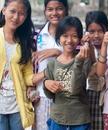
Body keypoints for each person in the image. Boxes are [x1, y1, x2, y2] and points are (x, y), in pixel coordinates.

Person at [43, 16, 91, 130]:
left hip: (80, 120)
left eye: (74, 36)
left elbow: (75, 89)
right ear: (59, 37)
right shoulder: (52, 64)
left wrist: (78, 61)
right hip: (58, 119)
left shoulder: (83, 59)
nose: (69, 40)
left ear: (80, 38)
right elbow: (50, 95)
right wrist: (46, 83)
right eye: (65, 36)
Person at [0, 0, 42, 129]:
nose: (16, 17)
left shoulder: (24, 43)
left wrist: (46, 73)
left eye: (22, 13)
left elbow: (27, 76)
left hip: (17, 107)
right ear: (3, 10)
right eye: (13, 11)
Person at [31, 0, 68, 130]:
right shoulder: (37, 35)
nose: (54, 13)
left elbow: (78, 62)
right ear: (45, 11)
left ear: (66, 9)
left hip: (66, 96)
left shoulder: (72, 34)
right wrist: (31, 89)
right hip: (42, 95)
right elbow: (31, 65)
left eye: (59, 9)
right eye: (50, 9)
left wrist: (58, 52)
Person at [83, 10, 108, 130]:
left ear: (107, 30)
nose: (96, 35)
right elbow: (91, 70)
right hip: (92, 95)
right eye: (92, 31)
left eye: (100, 31)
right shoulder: (85, 48)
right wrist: (88, 47)